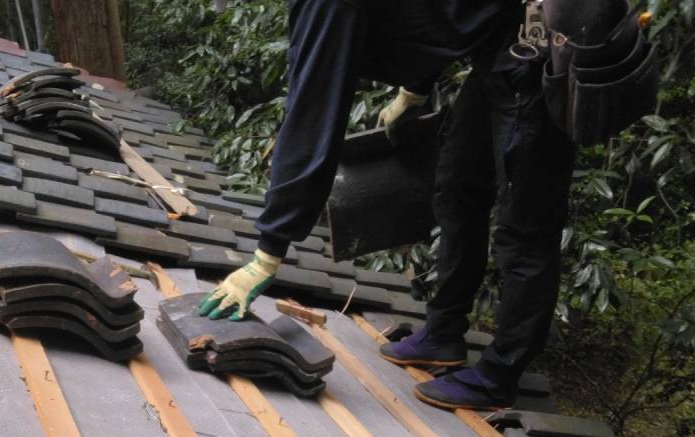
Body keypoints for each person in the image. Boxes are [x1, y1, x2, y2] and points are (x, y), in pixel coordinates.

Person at [198, 0, 645, 412]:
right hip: (498, 44)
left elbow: (315, 108)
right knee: (456, 186)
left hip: (542, 49)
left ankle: (499, 374)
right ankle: (444, 333)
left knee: (525, 227)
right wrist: (414, 90)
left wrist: (266, 255)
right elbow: (436, 17)